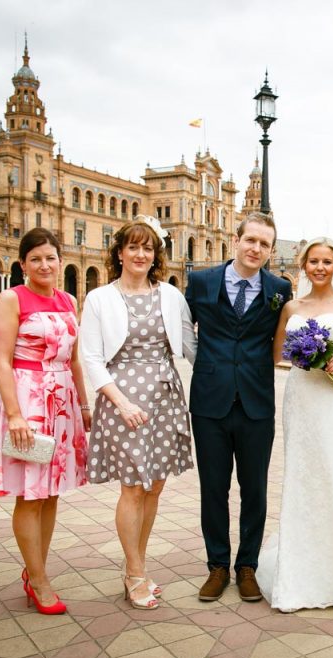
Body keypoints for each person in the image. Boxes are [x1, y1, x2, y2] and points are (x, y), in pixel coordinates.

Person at [79, 217, 196, 610]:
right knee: (132, 487)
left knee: (155, 486)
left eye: (148, 248)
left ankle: (139, 564)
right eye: (133, 247)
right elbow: (91, 359)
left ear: (156, 255)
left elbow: (192, 347)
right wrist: (121, 403)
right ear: (119, 252)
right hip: (122, 400)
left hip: (165, 398)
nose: (141, 254)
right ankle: (134, 573)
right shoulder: (99, 298)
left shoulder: (170, 296)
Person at [256, 237, 333, 619]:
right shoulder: (292, 306)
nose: (319, 267)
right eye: (313, 262)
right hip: (302, 398)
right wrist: (304, 355)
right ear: (303, 266)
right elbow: (277, 354)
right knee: (303, 478)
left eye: (326, 261)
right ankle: (299, 575)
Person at [185, 212, 292, 602]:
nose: (256, 249)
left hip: (256, 402)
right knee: (213, 489)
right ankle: (217, 566)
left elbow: (285, 337)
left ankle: (247, 567)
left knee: (255, 489)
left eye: (264, 244)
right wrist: (205, 363)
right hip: (210, 402)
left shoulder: (280, 288)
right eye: (251, 240)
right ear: (237, 239)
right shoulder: (201, 282)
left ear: (270, 250)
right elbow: (182, 330)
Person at [0, 228, 89, 616]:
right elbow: (1, 360)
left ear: (60, 260)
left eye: (50, 257)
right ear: (23, 264)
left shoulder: (66, 300)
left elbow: (75, 358)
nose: (44, 265)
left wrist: (83, 405)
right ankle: (39, 580)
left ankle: (36, 570)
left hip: (61, 400)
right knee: (30, 493)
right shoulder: (12, 299)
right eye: (36, 259)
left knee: (50, 493)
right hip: (28, 399)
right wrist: (14, 414)